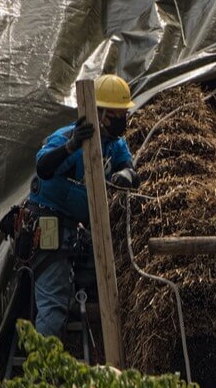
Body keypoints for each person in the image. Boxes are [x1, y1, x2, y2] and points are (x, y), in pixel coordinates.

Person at [25, 74, 139, 337]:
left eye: (123, 114)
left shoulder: (115, 145)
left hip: (81, 233)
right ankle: (42, 372)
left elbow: (130, 169)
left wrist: (126, 176)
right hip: (49, 229)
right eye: (115, 114)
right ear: (98, 113)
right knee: (53, 310)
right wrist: (70, 146)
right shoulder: (68, 137)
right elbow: (43, 167)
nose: (122, 120)